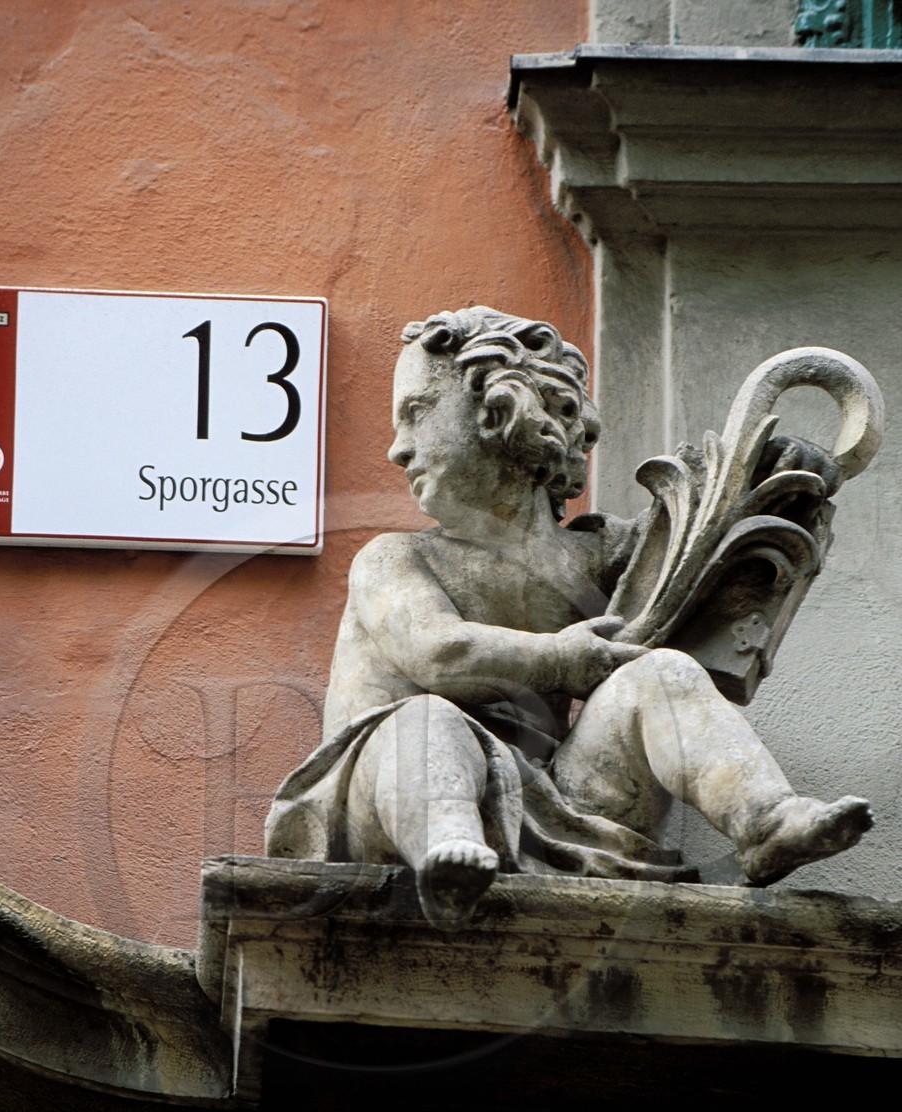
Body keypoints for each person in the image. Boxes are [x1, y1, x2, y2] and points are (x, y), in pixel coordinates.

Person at [266, 306, 872, 928]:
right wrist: (568, 659)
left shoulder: (595, 554)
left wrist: (783, 481)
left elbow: (699, 570)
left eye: (417, 414)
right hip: (392, 796)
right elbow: (439, 654)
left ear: (502, 413)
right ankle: (446, 851)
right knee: (427, 720)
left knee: (663, 673)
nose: (397, 450)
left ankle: (765, 817)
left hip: (556, 801)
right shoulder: (394, 559)